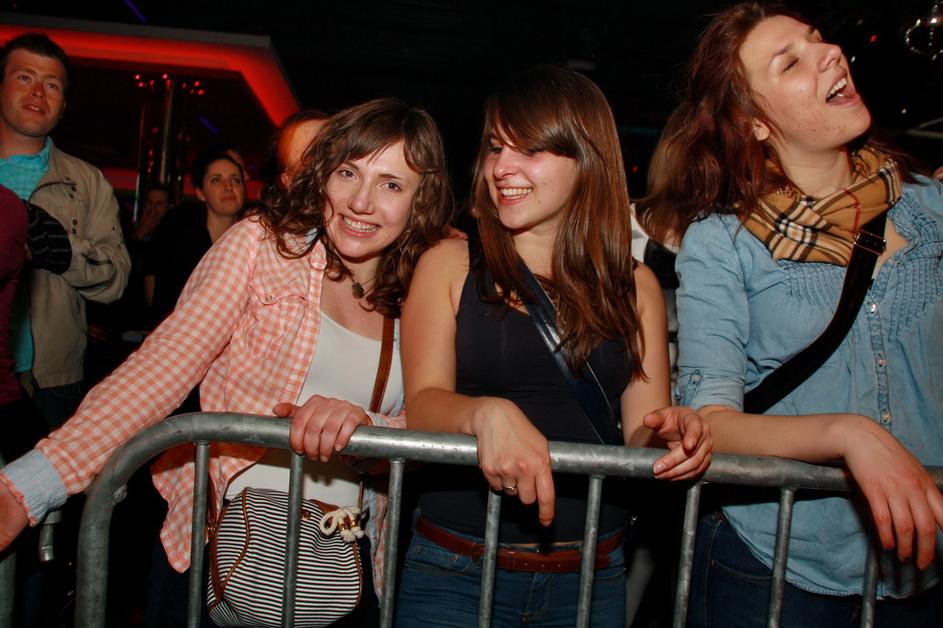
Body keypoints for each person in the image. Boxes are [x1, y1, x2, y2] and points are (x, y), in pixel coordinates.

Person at [0, 97, 453, 626]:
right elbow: (163, 366)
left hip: (342, 564)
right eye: (348, 172)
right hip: (224, 547)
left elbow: (432, 423)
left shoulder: (425, 285)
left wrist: (369, 432)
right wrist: (31, 485)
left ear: (421, 199)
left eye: (391, 184)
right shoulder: (262, 246)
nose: (361, 201)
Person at [643, 3, 943, 626]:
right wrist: (850, 435)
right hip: (775, 563)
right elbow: (711, 422)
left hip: (926, 562)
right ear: (753, 122)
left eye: (819, 41)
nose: (829, 54)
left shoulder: (931, 208)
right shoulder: (723, 241)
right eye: (791, 63)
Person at [396, 65, 712, 627]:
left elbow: (641, 434)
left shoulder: (633, 284)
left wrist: (675, 431)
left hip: (591, 578)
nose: (502, 167)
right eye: (496, 147)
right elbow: (422, 404)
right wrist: (485, 414)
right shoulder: (449, 264)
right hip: (456, 571)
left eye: (530, 149)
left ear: (586, 160)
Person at [0, 33, 130, 429]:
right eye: (25, 77)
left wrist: (63, 251)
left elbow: (116, 278)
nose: (38, 92)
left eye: (52, 84)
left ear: (63, 106)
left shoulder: (86, 182)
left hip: (50, 380)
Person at [143, 147, 246, 327]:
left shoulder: (255, 240)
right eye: (216, 180)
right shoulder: (181, 239)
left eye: (235, 180)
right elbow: (160, 299)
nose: (228, 187)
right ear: (200, 193)